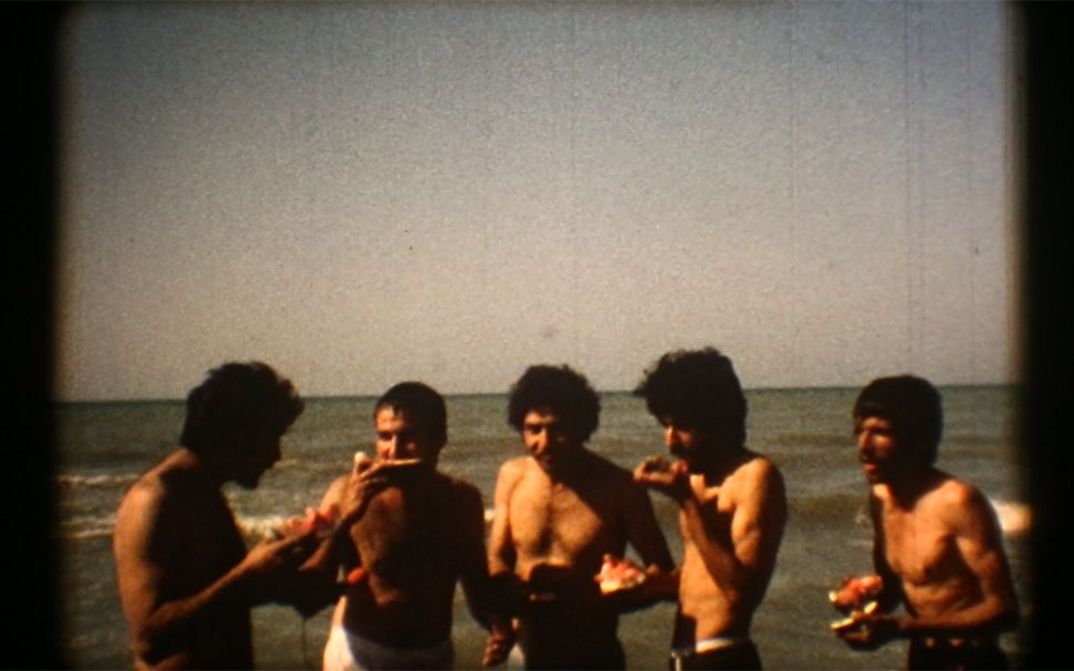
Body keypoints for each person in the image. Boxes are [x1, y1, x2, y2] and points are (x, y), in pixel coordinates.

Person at [113, 361, 320, 669]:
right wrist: (248, 575)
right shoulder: (155, 499)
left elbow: (214, 600)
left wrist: (279, 578)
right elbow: (149, 639)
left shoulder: (205, 493)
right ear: (237, 436)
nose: (277, 455)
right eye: (272, 437)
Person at [484, 364, 674, 670]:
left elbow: (662, 573)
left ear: (581, 427)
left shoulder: (620, 488)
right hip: (527, 648)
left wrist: (607, 594)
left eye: (557, 429)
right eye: (533, 429)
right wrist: (500, 622)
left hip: (592, 651)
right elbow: (498, 556)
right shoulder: (511, 476)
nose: (544, 443)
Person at [833, 375, 1019, 669]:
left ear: (916, 437)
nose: (864, 445)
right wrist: (861, 601)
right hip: (922, 658)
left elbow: (1005, 610)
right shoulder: (880, 497)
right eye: (859, 430)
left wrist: (904, 628)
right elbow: (895, 588)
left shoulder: (957, 501)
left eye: (881, 432)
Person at [313, 381, 496, 671]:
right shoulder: (345, 491)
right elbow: (312, 585)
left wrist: (499, 628)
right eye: (384, 437)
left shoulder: (461, 500)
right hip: (358, 651)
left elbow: (476, 583)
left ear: (439, 439)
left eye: (408, 436)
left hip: (431, 656)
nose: (394, 450)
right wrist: (346, 516)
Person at [631, 348, 787, 670]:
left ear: (718, 419)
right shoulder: (697, 480)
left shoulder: (755, 476)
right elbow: (699, 579)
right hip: (681, 658)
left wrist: (686, 501)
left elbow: (738, 593)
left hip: (723, 656)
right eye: (665, 426)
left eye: (683, 427)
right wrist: (642, 585)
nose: (670, 442)